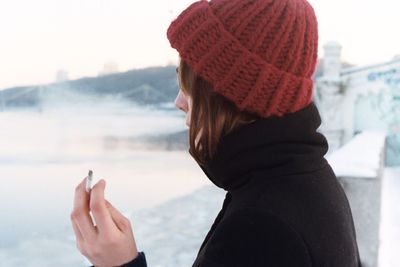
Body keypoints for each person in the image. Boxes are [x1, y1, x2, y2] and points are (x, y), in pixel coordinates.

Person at [70, 0, 362, 266]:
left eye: (192, 86)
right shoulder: (303, 180)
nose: (179, 101)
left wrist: (119, 265)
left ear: (235, 95)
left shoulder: (262, 229)